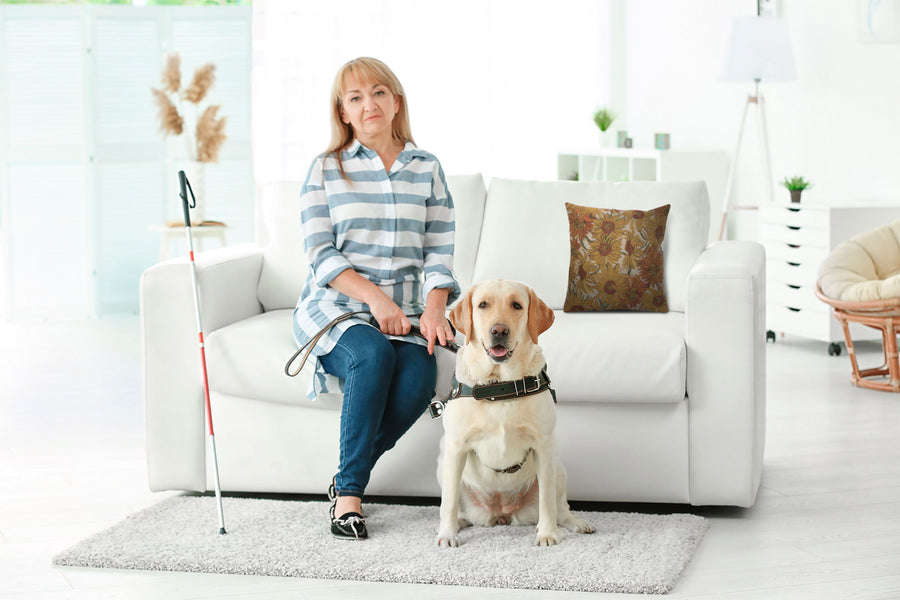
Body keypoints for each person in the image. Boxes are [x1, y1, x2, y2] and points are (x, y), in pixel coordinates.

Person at [293, 57, 460, 540]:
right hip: (339, 309)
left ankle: (346, 477)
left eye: (379, 92)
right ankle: (348, 496)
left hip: (408, 310)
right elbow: (319, 254)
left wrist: (433, 309)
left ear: (396, 102)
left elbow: (439, 249)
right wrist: (376, 302)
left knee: (418, 378)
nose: (370, 104)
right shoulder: (325, 169)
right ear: (343, 112)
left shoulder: (426, 168)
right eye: (355, 97)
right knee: (371, 354)